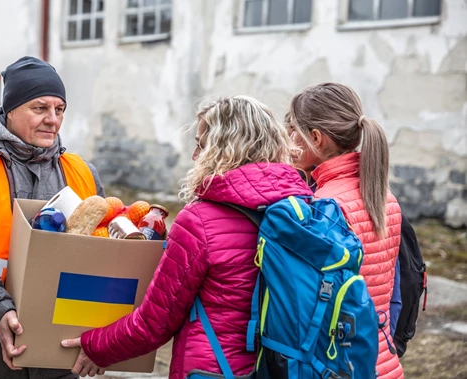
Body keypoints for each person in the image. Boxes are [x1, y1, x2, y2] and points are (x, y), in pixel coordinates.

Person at [62, 96, 313, 378]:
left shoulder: (200, 222)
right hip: (284, 367)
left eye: (201, 144)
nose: (195, 156)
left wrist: (94, 346)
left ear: (223, 148)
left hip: (215, 370)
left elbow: (154, 324)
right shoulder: (304, 209)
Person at [0, 56, 105, 379]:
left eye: (59, 109)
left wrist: (105, 339)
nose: (52, 119)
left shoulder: (83, 174)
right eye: (39, 108)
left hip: (60, 359)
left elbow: (103, 259)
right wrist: (0, 310)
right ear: (9, 110)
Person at [285, 82, 404, 379]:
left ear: (316, 138)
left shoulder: (325, 206)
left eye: (293, 131)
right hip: (380, 358)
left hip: (340, 362)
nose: (287, 139)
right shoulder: (385, 197)